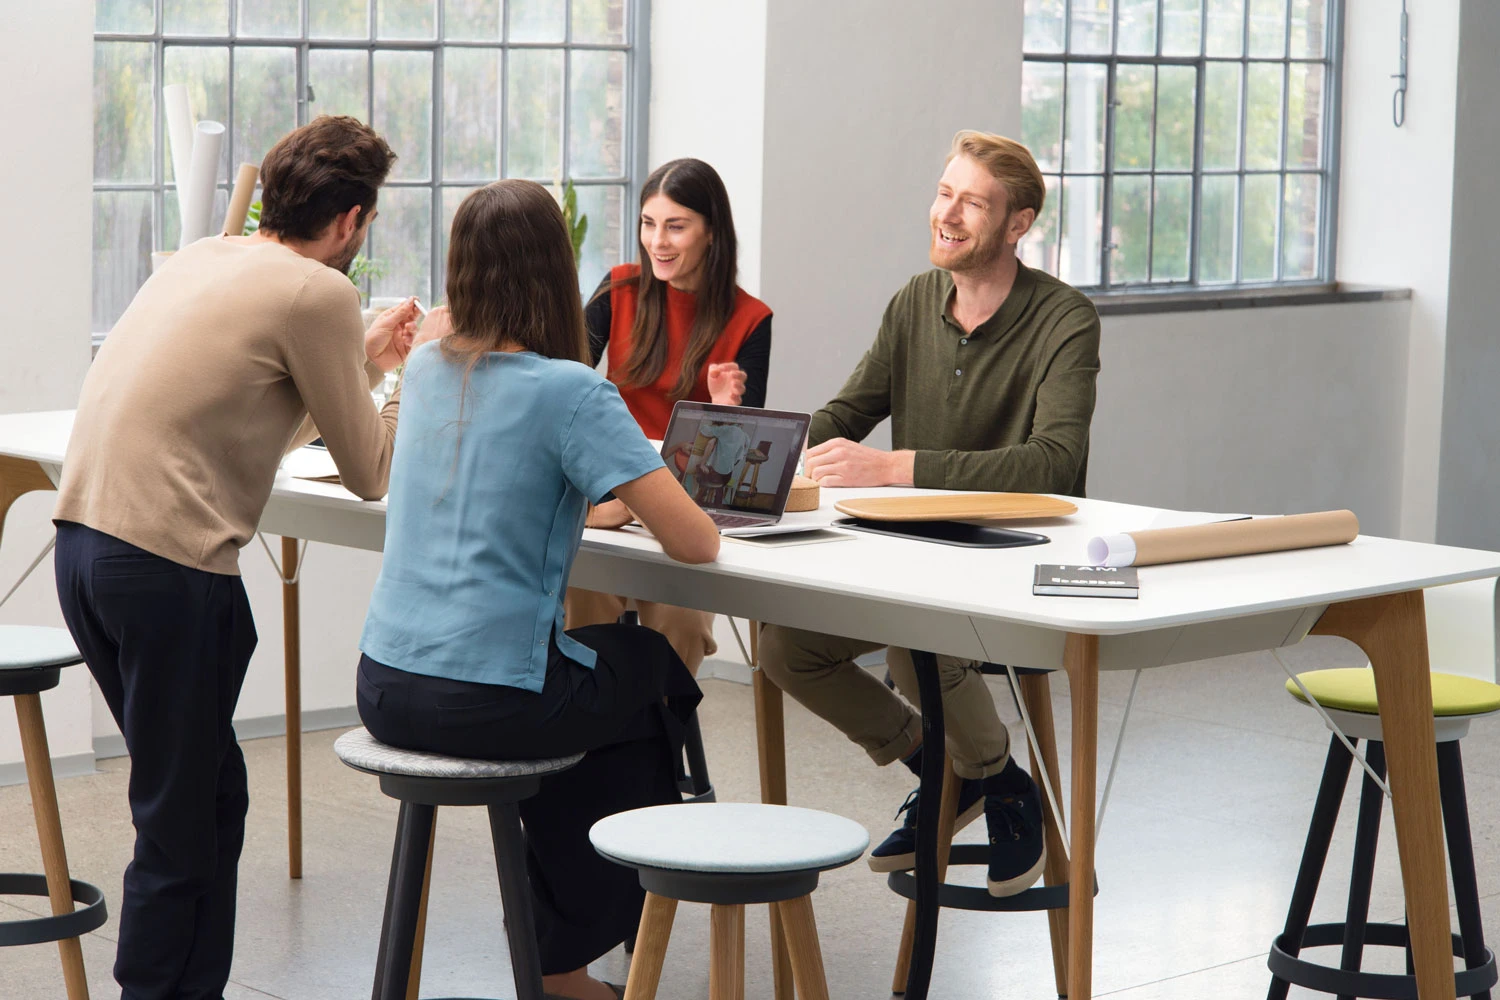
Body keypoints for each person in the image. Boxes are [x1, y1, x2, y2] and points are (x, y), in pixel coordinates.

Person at [52, 115, 422, 998]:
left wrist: (361, 365)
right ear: (353, 222)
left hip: (86, 554)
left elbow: (249, 414)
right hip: (166, 572)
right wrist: (422, 373)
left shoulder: (201, 257)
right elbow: (372, 471)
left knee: (212, 797)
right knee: (181, 823)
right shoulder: (317, 292)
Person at [355, 179, 720, 1000]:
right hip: (490, 702)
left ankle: (561, 953)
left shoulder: (420, 369)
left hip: (384, 685)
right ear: (556, 273)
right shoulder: (572, 390)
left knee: (585, 687)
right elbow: (695, 544)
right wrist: (637, 491)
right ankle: (570, 959)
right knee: (649, 669)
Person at [758, 131, 1101, 897]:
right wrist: (744, 449)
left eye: (972, 202)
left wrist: (895, 469)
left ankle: (996, 783)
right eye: (945, 192)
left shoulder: (1066, 319)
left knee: (922, 634)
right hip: (909, 555)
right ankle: (961, 770)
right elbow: (847, 412)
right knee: (785, 648)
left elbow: (1054, 464)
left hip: (1013, 559)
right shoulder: (915, 301)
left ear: (1019, 224)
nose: (947, 213)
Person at [567, 158, 772, 675]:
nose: (658, 241)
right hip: (608, 499)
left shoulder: (751, 319)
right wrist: (609, 506)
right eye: (648, 223)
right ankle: (592, 743)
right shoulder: (618, 291)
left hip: (684, 508)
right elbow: (564, 390)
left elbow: (744, 463)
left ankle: (655, 744)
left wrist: (727, 414)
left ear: (711, 233)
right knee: (584, 602)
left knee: (684, 621)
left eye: (675, 226)